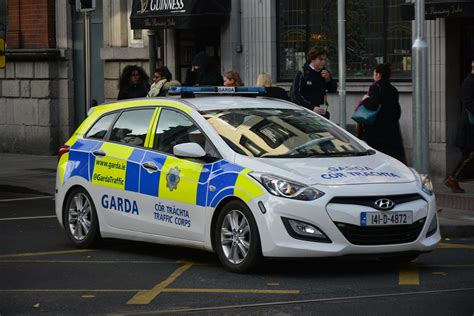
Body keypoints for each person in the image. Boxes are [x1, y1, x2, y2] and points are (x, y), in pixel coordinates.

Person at [358, 63, 406, 164]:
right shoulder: (393, 90)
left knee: (373, 158)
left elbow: (372, 105)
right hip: (391, 130)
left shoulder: (375, 87)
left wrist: (366, 100)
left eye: (374, 73)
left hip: (375, 129)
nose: (373, 76)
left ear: (378, 75)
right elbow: (397, 111)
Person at [445, 59, 474, 193]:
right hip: (469, 125)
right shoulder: (469, 82)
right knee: (469, 154)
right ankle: (453, 178)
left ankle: (453, 179)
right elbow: (469, 103)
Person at [290, 46, 337, 119]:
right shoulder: (302, 73)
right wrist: (312, 108)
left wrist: (328, 79)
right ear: (312, 59)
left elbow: (333, 89)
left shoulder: (325, 72)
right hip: (306, 114)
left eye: (325, 59)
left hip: (322, 112)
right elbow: (296, 95)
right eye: (320, 59)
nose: (323, 62)